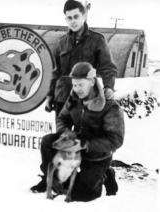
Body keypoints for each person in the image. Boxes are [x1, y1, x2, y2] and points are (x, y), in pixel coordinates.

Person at [31, 62, 125, 202]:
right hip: (75, 144)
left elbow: (115, 140)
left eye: (80, 85)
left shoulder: (110, 106)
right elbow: (62, 118)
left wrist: (86, 144)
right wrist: (67, 135)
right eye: (74, 85)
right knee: (47, 141)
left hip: (97, 154)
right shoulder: (74, 98)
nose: (76, 89)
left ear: (92, 81)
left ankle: (105, 174)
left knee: (83, 194)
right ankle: (48, 178)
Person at [45, 0, 117, 116]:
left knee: (85, 133)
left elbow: (108, 67)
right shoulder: (61, 43)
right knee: (62, 131)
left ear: (83, 16)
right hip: (63, 98)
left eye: (76, 16)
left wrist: (109, 87)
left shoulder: (97, 40)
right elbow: (55, 72)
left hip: (86, 98)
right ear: (66, 20)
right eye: (69, 18)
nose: (73, 21)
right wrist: (49, 95)